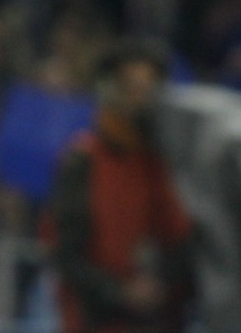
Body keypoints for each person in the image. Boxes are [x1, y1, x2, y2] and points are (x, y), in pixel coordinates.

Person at [43, 39, 195, 333]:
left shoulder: (170, 163)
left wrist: (160, 285)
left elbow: (187, 243)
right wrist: (121, 293)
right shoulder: (83, 161)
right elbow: (65, 255)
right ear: (108, 91)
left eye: (149, 89)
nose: (141, 100)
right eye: (131, 89)